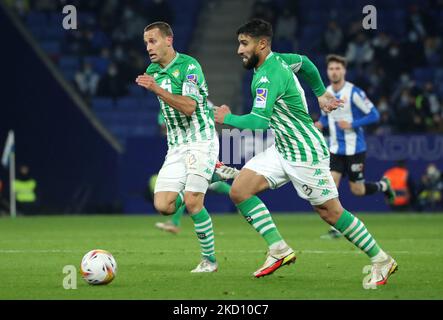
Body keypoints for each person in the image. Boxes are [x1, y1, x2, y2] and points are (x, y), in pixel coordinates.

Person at [214, 19, 397, 286]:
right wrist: (321, 93)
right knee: (240, 190)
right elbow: (306, 63)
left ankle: (381, 259)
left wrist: (228, 117)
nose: (239, 50)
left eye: (244, 44)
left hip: (305, 152)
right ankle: (278, 249)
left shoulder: (267, 76)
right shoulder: (279, 60)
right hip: (283, 149)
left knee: (330, 213)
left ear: (262, 44)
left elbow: (259, 122)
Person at [135, 22, 220, 272]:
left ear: (169, 40)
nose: (148, 47)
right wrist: (156, 87)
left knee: (194, 203)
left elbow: (189, 107)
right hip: (176, 146)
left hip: (201, 139)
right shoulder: (152, 69)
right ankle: (211, 174)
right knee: (163, 206)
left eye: (153, 41)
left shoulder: (190, 66)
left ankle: (209, 261)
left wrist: (156, 89)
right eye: (146, 43)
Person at [314, 54, 396, 239]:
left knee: (357, 190)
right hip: (335, 149)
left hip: (355, 149)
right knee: (330, 187)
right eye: (331, 69)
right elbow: (327, 116)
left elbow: (374, 114)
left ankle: (384, 185)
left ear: (344, 71)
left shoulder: (354, 92)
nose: (334, 72)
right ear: (327, 72)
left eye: (338, 68)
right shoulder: (325, 92)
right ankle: (338, 228)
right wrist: (320, 123)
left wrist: (353, 124)